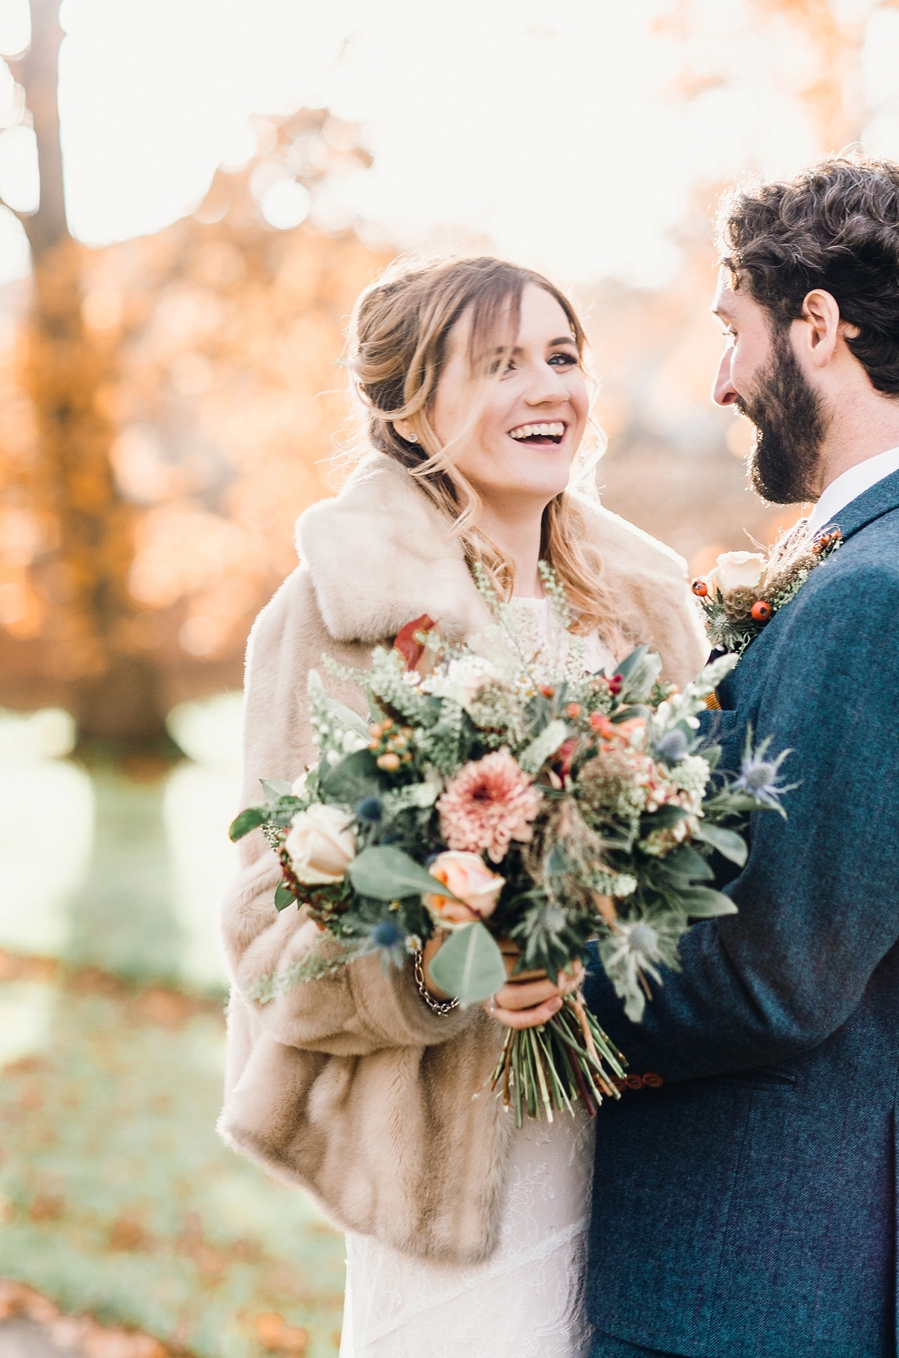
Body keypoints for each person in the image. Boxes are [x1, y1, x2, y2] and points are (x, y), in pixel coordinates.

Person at [581, 155, 899, 1358]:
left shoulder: (886, 597)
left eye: (730, 331)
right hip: (861, 1268)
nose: (718, 382)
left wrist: (530, 979)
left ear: (816, 326)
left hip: (761, 1282)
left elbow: (773, 975)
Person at [218, 254, 707, 1358]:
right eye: (499, 364)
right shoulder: (333, 614)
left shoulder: (652, 606)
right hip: (454, 1186)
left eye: (563, 356)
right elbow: (267, 930)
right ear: (407, 406)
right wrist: (444, 964)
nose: (547, 390)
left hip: (650, 1164)